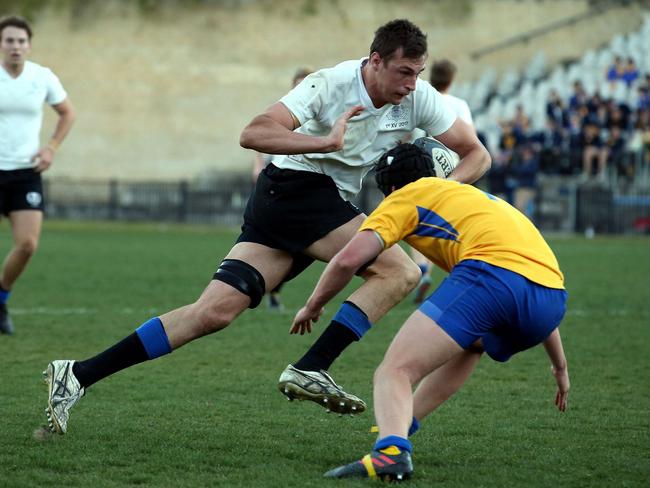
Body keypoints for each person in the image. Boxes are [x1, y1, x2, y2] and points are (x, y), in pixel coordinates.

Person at [42, 19, 490, 435]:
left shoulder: (418, 97)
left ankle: (78, 374)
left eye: (417, 72)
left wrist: (438, 189)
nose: (411, 83)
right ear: (375, 61)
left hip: (303, 203)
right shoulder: (329, 84)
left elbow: (478, 155)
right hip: (296, 189)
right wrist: (324, 141)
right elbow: (253, 132)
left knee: (213, 312)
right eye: (403, 72)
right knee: (400, 272)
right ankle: (313, 365)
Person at [286, 143, 568, 480]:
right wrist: (560, 367)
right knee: (473, 344)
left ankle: (390, 455)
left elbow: (348, 258)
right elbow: (530, 276)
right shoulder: (473, 197)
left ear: (389, 188)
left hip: (492, 278)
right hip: (551, 300)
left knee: (395, 370)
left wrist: (313, 304)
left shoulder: (404, 197)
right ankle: (401, 425)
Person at [0, 16, 75, 335]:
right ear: (1, 44)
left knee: (28, 244)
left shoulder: (41, 77)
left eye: (21, 41)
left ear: (28, 45)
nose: (15, 46)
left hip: (26, 173)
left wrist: (51, 148)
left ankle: (1, 298)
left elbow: (68, 112)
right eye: (9, 40)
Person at [409, 59, 475, 304]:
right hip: (452, 171)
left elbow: (406, 134)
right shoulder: (458, 104)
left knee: (415, 223)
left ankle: (422, 269)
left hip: (419, 168)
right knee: (447, 225)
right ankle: (458, 278)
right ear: (451, 79)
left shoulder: (419, 98)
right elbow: (471, 140)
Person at [251, 67, 313, 311]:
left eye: (306, 84)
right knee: (272, 242)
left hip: (303, 186)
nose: (301, 88)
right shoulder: (286, 111)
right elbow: (261, 137)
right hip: (276, 182)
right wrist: (257, 164)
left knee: (295, 246)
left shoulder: (316, 113)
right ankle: (262, 285)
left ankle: (270, 286)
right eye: (298, 84)